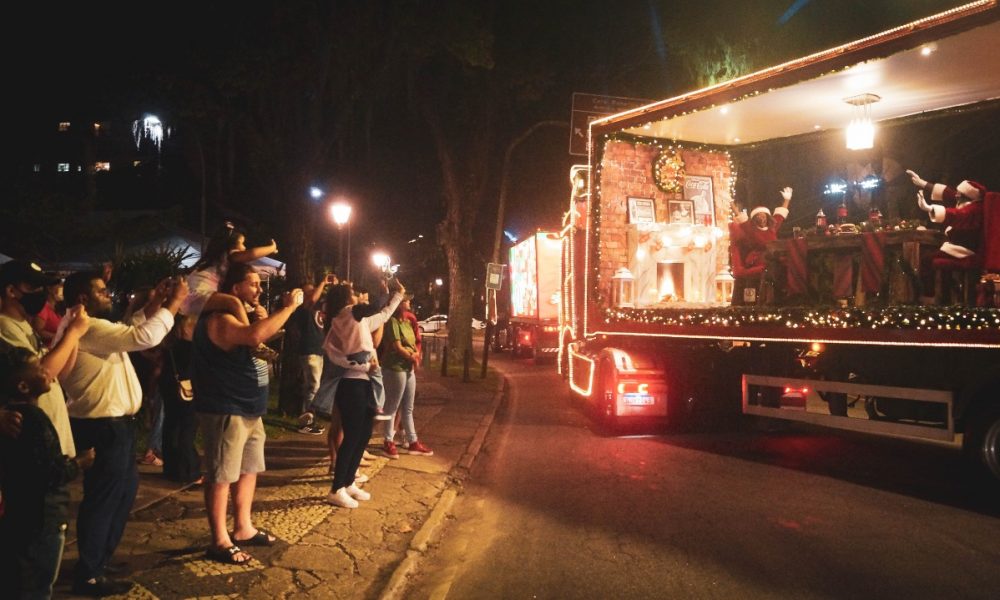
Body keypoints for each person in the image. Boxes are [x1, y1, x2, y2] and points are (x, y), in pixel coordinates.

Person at [60, 271, 187, 596]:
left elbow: (128, 331)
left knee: (120, 494)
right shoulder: (86, 326)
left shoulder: (87, 326)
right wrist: (172, 305)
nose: (110, 296)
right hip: (104, 426)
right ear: (84, 298)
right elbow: (142, 338)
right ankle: (89, 573)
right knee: (104, 499)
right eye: (102, 292)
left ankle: (98, 559)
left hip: (112, 426)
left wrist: (155, 304)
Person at [191, 263, 303, 565]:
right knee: (221, 473)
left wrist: (266, 322)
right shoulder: (219, 318)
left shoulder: (240, 315)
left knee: (248, 469)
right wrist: (289, 308)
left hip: (250, 407)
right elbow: (253, 337)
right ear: (235, 287)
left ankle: (243, 527)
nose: (259, 289)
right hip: (226, 406)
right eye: (253, 284)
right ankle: (219, 539)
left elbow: (257, 339)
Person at [0, 346, 96, 599]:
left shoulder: (12, 416)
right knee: (37, 586)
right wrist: (79, 462)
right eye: (39, 369)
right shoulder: (32, 421)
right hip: (43, 517)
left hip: (20, 513)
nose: (47, 372)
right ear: (23, 386)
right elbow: (49, 473)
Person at [321, 278, 405, 508]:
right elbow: (376, 307)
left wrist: (397, 296)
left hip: (363, 382)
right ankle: (337, 488)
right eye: (353, 293)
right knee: (352, 436)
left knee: (364, 434)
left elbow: (383, 315)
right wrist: (385, 291)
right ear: (346, 300)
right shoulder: (348, 314)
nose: (357, 295)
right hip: (352, 385)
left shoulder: (354, 321)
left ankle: (348, 482)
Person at [0, 260, 90, 461]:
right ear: (11, 291)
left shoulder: (24, 326)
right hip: (33, 443)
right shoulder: (5, 327)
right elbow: (40, 375)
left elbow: (58, 375)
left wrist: (71, 333)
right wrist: (73, 333)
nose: (41, 292)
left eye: (42, 286)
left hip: (50, 433)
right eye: (33, 287)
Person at [908, 170, 1000, 301]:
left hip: (964, 251)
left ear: (966, 196)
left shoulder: (974, 209)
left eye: (959, 193)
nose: (955, 195)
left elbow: (957, 215)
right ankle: (944, 294)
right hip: (955, 248)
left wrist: (929, 208)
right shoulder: (964, 201)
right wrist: (922, 183)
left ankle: (929, 295)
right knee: (933, 259)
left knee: (926, 260)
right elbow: (947, 193)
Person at [181, 222, 278, 332]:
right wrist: (271, 248)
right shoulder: (229, 255)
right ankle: (249, 335)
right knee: (233, 303)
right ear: (230, 245)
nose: (244, 247)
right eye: (242, 243)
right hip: (196, 295)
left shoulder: (215, 262)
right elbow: (252, 253)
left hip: (190, 296)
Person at [381, 296, 434, 457]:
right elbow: (397, 346)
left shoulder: (407, 321)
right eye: (406, 300)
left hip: (408, 367)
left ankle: (413, 441)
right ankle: (388, 440)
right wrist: (412, 357)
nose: (409, 303)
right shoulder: (392, 322)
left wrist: (416, 354)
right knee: (392, 405)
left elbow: (414, 342)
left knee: (408, 407)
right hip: (395, 367)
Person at [293, 274, 335, 435]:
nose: (313, 294)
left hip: (318, 350)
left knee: (315, 386)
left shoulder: (317, 307)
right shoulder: (303, 308)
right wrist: (323, 282)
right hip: (309, 350)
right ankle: (305, 422)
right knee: (313, 386)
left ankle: (311, 418)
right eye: (308, 291)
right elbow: (311, 300)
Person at [729, 186, 793, 273]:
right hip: (759, 258)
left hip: (774, 255)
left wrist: (787, 199)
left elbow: (780, 214)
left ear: (767, 217)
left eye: (763, 216)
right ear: (755, 219)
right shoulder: (751, 229)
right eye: (758, 216)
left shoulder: (772, 227)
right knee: (774, 266)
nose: (761, 218)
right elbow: (740, 216)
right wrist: (730, 202)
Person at [32, 279, 64, 346]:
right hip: (48, 349)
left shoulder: (57, 307)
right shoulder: (43, 308)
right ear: (49, 288)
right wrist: (58, 337)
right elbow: (37, 332)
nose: (62, 288)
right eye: (59, 285)